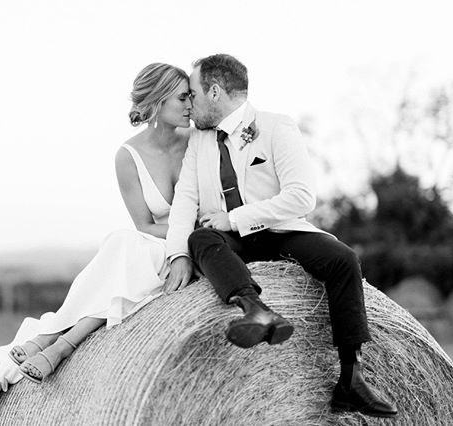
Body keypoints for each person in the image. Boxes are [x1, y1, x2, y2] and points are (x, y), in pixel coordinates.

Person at [164, 54, 397, 418]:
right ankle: (255, 310)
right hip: (232, 245)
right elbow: (185, 199)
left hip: (280, 233)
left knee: (343, 258)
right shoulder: (199, 141)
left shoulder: (275, 127)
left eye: (192, 94)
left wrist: (233, 218)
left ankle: (352, 378)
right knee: (199, 240)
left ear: (214, 92)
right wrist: (177, 254)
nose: (189, 104)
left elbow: (301, 197)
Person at [0, 62, 192, 425]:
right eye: (182, 97)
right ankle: (58, 342)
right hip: (150, 241)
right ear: (159, 100)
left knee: (124, 248)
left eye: (190, 96)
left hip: (188, 245)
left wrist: (186, 236)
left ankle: (52, 339)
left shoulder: (197, 142)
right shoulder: (127, 156)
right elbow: (145, 224)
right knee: (124, 244)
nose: (190, 104)